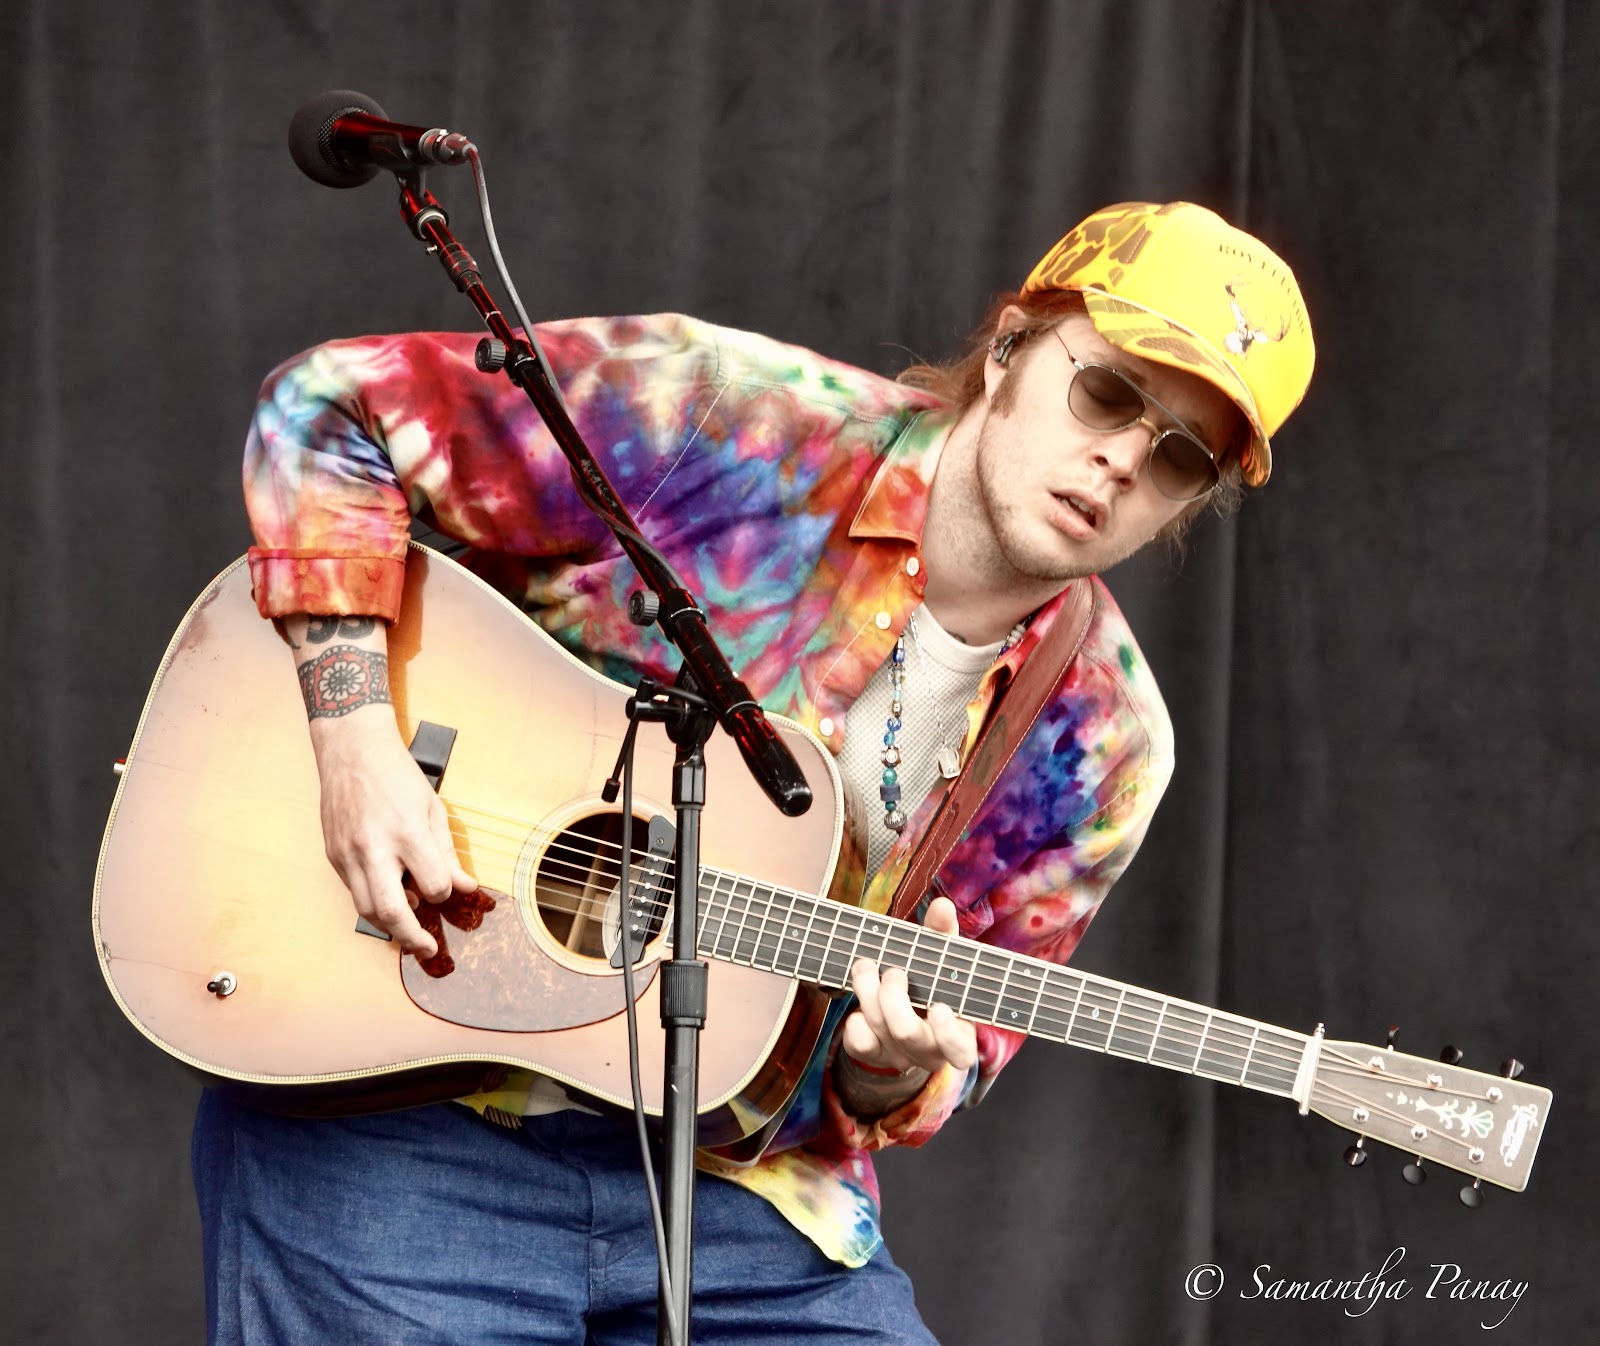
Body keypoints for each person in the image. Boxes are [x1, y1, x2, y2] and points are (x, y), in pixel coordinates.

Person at [198, 200, 1314, 1344]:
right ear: (1018, 343)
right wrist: (354, 741)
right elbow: (326, 405)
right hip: (409, 1106)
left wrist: (888, 1072)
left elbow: (923, 1073)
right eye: (1108, 392)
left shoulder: (1103, 744)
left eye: (1179, 455)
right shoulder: (730, 419)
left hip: (739, 1193)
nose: (1122, 458)